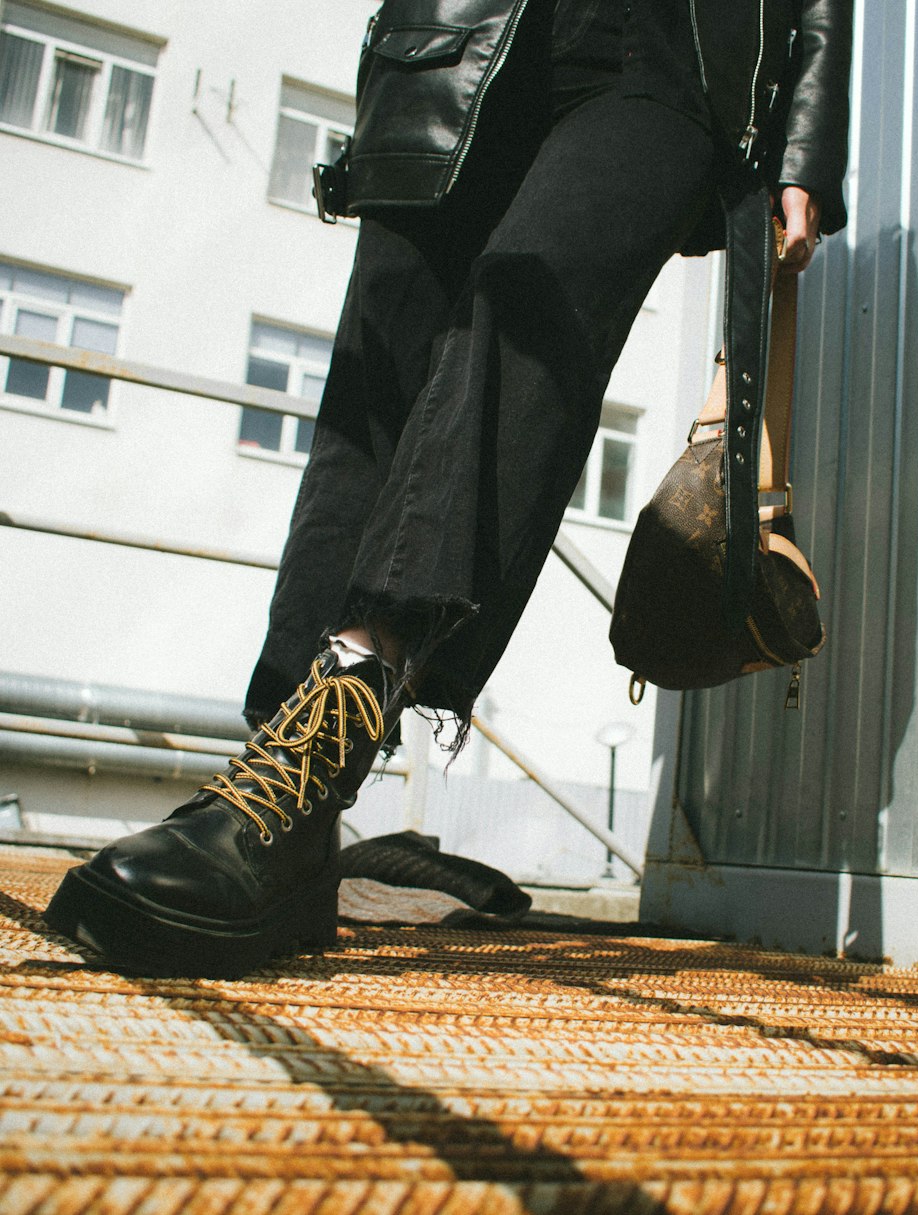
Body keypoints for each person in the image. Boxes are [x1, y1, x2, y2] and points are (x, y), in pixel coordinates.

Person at [45, 0, 852, 977]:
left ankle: (309, 766)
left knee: (525, 314)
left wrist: (806, 141)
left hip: (674, 47)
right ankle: (279, 802)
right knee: (379, 386)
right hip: (455, 33)